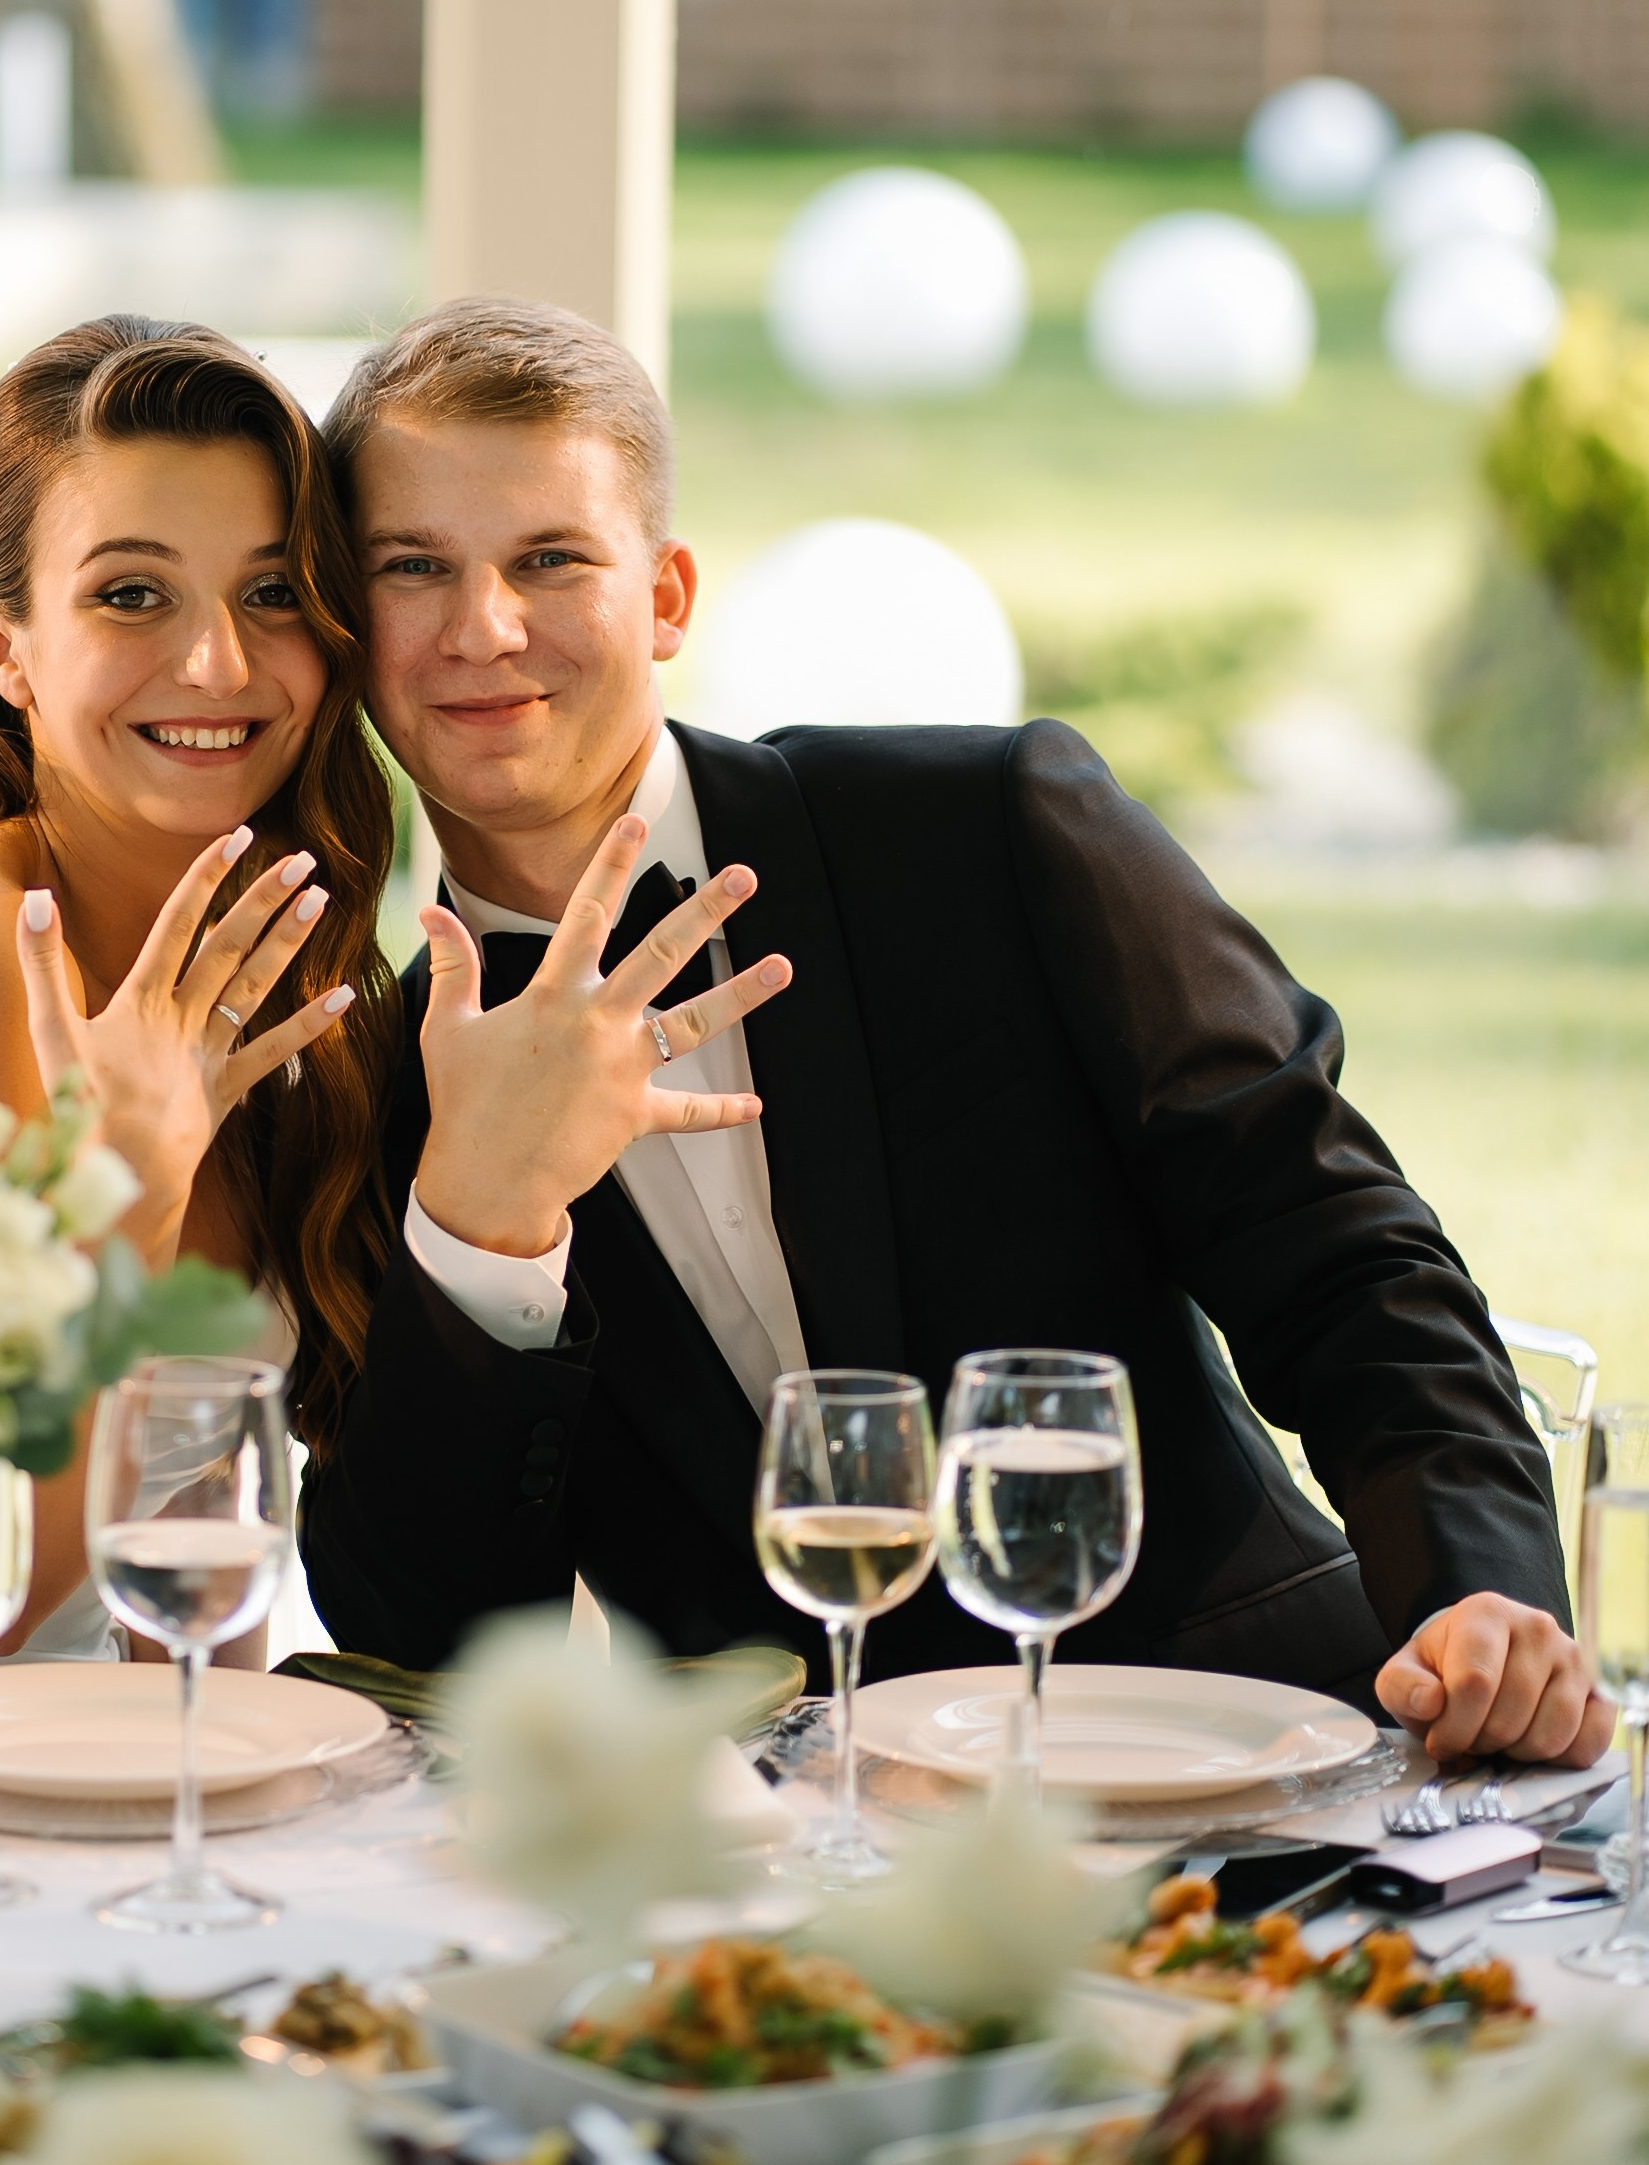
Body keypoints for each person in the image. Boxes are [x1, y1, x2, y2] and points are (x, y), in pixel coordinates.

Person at [298, 298, 1609, 1770]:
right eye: (413, 567)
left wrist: (1478, 1589)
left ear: (665, 598)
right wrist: (485, 1221)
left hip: (1244, 1751)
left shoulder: (985, 830)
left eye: (550, 559)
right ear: (351, 624)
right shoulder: (366, 1089)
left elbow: (1336, 1250)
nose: (483, 628)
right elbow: (427, 1644)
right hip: (781, 1849)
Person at [0, 315, 399, 1639]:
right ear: (3, 646)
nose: (219, 664)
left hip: (118, 1750)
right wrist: (128, 1194)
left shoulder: (243, 944)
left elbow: (205, 1526)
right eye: (131, 594)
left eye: (272, 591)